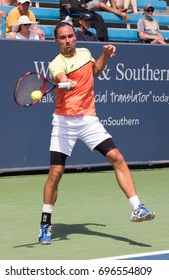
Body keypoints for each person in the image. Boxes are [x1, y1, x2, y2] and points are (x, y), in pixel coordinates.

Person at [38, 22, 155, 245]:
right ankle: (45, 222)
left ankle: (137, 208)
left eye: (70, 36)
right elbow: (61, 77)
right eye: (63, 38)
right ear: (56, 41)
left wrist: (105, 54)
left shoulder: (85, 52)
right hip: (64, 121)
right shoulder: (56, 64)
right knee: (56, 173)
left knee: (116, 158)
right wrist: (66, 82)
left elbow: (96, 71)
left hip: (88, 119)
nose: (68, 40)